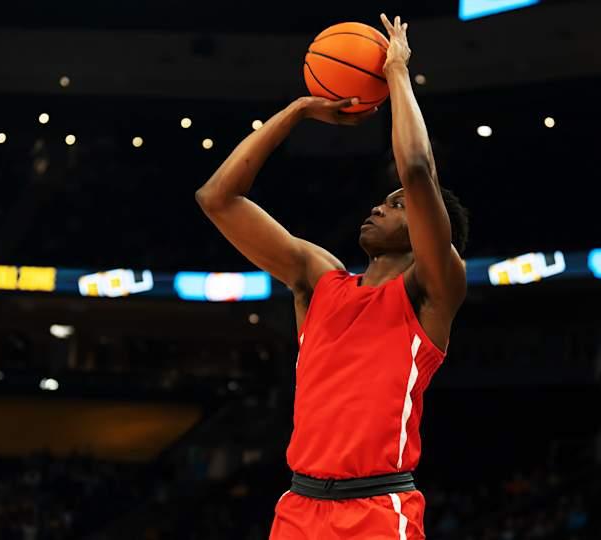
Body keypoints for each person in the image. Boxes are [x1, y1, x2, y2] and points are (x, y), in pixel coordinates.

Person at [195, 13, 468, 539]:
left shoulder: (434, 289)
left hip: (377, 510)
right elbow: (218, 198)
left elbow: (415, 169)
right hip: (298, 507)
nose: (379, 207)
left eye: (395, 206)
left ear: (427, 229)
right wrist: (297, 111)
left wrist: (395, 73)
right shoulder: (320, 280)